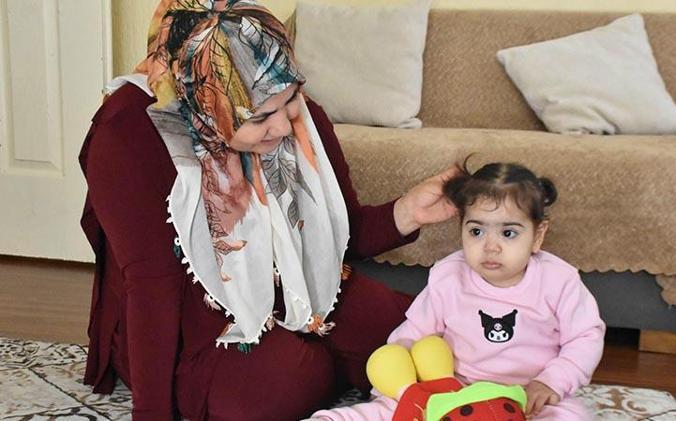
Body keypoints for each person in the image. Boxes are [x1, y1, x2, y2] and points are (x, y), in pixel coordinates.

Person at [78, 1, 457, 420]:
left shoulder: (295, 109)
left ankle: (326, 356)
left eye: (291, 99)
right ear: (206, 105)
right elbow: (152, 286)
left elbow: (341, 235)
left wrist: (408, 212)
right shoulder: (127, 134)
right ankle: (330, 363)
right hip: (197, 314)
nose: (284, 126)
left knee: (408, 327)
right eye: (259, 117)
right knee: (278, 387)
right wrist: (151, 412)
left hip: (295, 287)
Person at [309, 161, 606, 420]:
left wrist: (552, 381)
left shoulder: (559, 280)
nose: (490, 246)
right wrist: (396, 382)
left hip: (527, 394)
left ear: (538, 235)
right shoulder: (449, 275)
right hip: (455, 389)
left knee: (570, 414)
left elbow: (585, 337)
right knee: (392, 409)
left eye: (508, 233)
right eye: (477, 231)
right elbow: (416, 330)